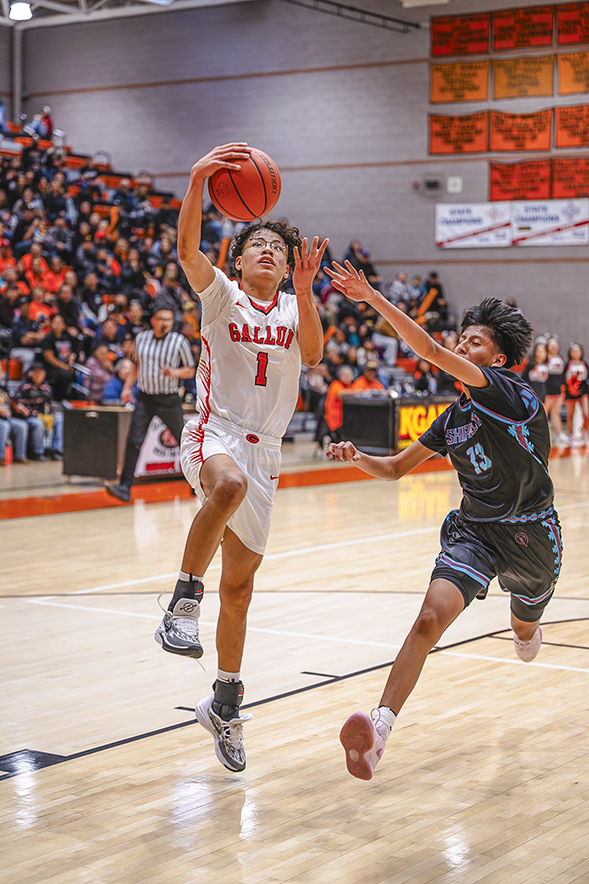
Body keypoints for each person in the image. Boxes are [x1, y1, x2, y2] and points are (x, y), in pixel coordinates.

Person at [324, 259, 561, 781]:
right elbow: (394, 469)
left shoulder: (510, 393)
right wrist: (356, 456)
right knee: (429, 618)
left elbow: (426, 350)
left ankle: (525, 627)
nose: (461, 346)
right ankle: (379, 731)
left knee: (525, 625)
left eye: (473, 341)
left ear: (497, 357)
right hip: (475, 531)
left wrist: (373, 299)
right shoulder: (454, 417)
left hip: (531, 534)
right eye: (461, 339)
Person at [155, 142, 326, 774]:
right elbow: (185, 252)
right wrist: (199, 178)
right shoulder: (221, 295)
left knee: (243, 587)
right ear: (239, 255)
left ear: (286, 268)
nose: (269, 250)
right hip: (215, 431)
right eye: (257, 242)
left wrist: (307, 293)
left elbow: (311, 356)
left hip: (269, 452)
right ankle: (180, 602)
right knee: (222, 489)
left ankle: (225, 699)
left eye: (278, 248)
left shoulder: (291, 304)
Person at [104, 305, 195, 502]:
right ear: (153, 320)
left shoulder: (179, 342)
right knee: (134, 441)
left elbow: (190, 370)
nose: (165, 323)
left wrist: (175, 373)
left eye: (169, 320)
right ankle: (125, 488)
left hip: (169, 399)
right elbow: (135, 365)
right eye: (161, 319)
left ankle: (197, 483)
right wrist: (127, 388)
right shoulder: (141, 339)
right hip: (145, 397)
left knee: (184, 442)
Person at [562, 342, 589, 446]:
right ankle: (572, 435)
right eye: (574, 350)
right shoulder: (567, 365)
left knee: (586, 413)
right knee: (570, 415)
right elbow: (563, 379)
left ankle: (584, 433)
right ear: (570, 352)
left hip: (583, 391)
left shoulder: (585, 364)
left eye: (578, 350)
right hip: (570, 391)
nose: (576, 352)